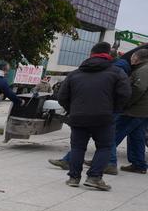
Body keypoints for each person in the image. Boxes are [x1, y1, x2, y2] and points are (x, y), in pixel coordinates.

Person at [56, 42, 131, 190]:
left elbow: (62, 97)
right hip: (104, 117)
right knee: (104, 147)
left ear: (91, 54)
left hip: (78, 117)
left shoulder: (75, 74)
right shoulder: (116, 72)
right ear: (108, 54)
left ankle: (73, 178)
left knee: (78, 147)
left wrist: (73, 109)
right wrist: (114, 109)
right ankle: (94, 177)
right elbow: (125, 94)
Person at [112, 49, 148, 174]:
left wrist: (126, 103)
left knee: (113, 134)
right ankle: (139, 165)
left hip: (134, 110)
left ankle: (105, 161)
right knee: (137, 137)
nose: (131, 58)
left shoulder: (144, 70)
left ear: (138, 58)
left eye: (133, 56)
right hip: (142, 111)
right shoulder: (143, 69)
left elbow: (139, 88)